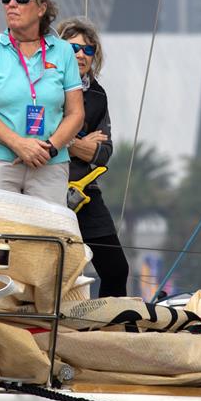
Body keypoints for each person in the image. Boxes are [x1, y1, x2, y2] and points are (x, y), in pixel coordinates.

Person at [0, 0, 84, 206]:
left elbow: (76, 113)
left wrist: (51, 149)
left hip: (50, 164)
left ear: (41, 8)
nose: (12, 4)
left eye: (21, 0)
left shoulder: (63, 51)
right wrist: (19, 144)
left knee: (48, 238)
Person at [58, 17, 129, 297]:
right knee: (51, 269)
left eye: (88, 50)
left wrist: (67, 142)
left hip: (85, 189)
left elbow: (103, 153)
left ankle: (108, 333)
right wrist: (79, 143)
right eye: (74, 48)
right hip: (47, 183)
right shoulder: (46, 86)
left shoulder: (98, 95)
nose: (81, 55)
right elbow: (39, 134)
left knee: (116, 269)